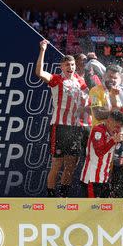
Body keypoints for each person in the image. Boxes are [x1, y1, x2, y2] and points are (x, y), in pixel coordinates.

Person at [35, 39, 89, 197]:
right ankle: (51, 195)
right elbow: (39, 73)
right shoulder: (57, 79)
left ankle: (64, 196)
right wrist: (43, 50)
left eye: (72, 65)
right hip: (59, 126)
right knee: (57, 163)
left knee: (72, 164)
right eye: (67, 65)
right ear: (61, 67)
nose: (70, 67)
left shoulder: (81, 81)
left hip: (75, 127)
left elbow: (89, 100)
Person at [80, 110, 123, 198]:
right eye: (116, 126)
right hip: (92, 179)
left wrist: (120, 143)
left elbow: (118, 158)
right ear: (109, 121)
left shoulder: (115, 133)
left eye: (119, 127)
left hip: (104, 179)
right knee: (93, 210)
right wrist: (113, 141)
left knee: (102, 210)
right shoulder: (98, 130)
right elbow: (99, 152)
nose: (117, 130)